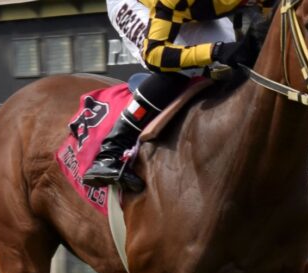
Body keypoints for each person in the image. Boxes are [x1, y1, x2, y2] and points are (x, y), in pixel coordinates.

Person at [82, 0, 271, 192]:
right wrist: (216, 51)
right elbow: (155, 54)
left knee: (239, 56)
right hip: (138, 3)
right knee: (184, 67)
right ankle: (111, 151)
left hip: (188, 9)